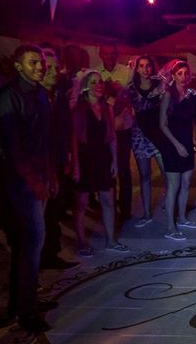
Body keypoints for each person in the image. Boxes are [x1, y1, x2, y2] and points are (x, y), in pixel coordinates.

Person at [0, 44, 58, 333]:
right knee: (31, 242)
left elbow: (43, 141)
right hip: (20, 181)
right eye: (33, 62)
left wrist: (51, 175)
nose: (40, 67)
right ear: (19, 66)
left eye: (42, 62)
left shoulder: (39, 93)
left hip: (39, 176)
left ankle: (24, 302)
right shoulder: (8, 97)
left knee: (30, 244)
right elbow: (13, 149)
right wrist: (34, 181)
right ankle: (25, 311)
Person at [71, 70, 129, 257]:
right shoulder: (79, 108)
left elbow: (112, 137)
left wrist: (114, 161)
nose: (98, 85)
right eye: (94, 82)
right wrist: (76, 166)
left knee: (108, 200)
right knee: (81, 203)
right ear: (86, 86)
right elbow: (73, 140)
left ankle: (110, 240)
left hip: (103, 157)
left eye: (100, 82)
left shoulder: (107, 108)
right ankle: (81, 242)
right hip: (85, 157)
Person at [39, 47, 79, 270]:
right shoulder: (31, 97)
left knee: (54, 212)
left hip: (58, 162)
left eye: (56, 67)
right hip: (38, 167)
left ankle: (50, 255)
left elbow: (66, 129)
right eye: (50, 67)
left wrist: (69, 159)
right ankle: (37, 263)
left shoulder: (59, 98)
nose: (55, 71)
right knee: (36, 219)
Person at [158, 60, 196, 240]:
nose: (183, 77)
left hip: (186, 143)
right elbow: (162, 124)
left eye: (186, 73)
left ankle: (183, 218)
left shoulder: (192, 95)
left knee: (186, 183)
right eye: (179, 73)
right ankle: (170, 227)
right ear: (173, 76)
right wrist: (176, 145)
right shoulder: (168, 95)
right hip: (171, 144)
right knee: (173, 185)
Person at [127, 55, 167, 228]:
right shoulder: (131, 88)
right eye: (141, 66)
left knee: (167, 173)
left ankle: (169, 203)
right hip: (139, 135)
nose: (145, 69)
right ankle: (147, 213)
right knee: (144, 175)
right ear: (136, 69)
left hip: (157, 133)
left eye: (148, 65)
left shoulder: (160, 86)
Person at [97, 43, 134, 222]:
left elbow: (128, 99)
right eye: (106, 53)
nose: (109, 57)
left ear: (117, 54)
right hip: (104, 129)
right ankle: (108, 208)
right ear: (100, 54)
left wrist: (120, 93)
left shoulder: (126, 73)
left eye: (112, 53)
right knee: (106, 168)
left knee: (124, 170)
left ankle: (125, 210)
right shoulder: (95, 74)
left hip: (123, 128)